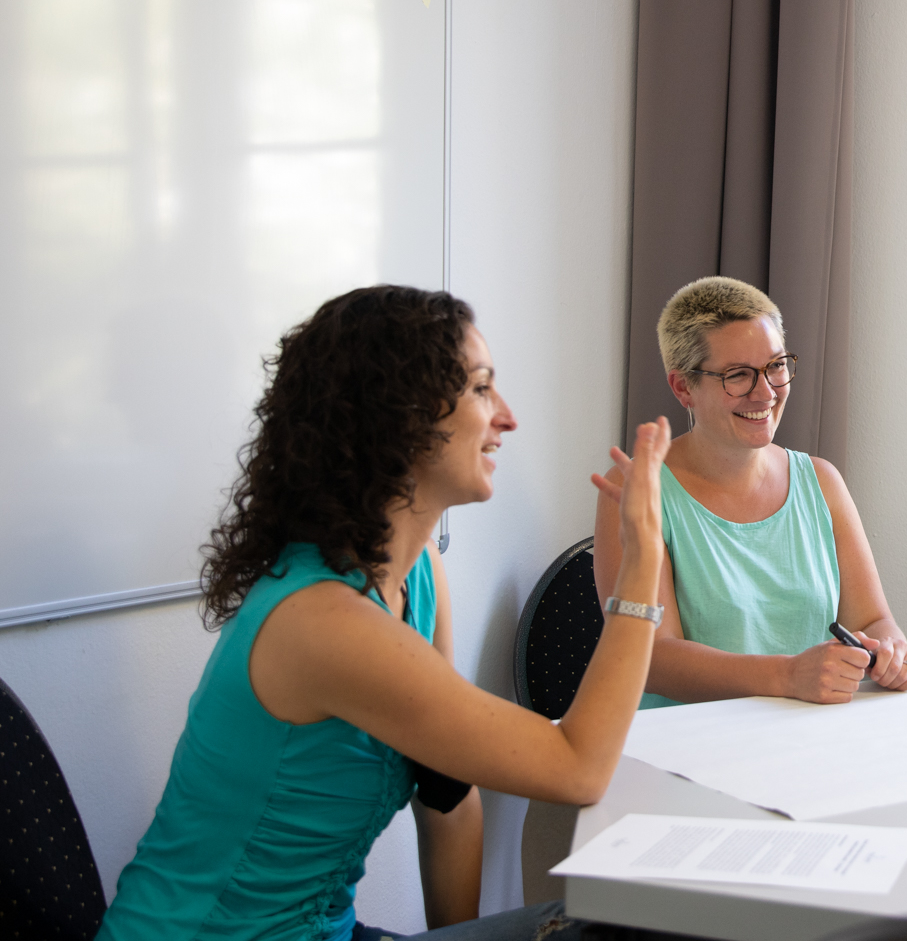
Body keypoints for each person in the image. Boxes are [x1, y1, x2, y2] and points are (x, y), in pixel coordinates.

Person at [97, 285, 671, 941]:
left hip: (324, 931)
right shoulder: (323, 624)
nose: (507, 418)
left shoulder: (416, 572)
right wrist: (643, 558)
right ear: (402, 417)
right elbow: (578, 767)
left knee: (623, 919)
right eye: (482, 389)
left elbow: (446, 795)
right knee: (619, 929)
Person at [593, 277, 907, 707]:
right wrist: (788, 675)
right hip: (689, 748)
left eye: (776, 366)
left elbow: (874, 620)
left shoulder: (822, 481)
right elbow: (653, 658)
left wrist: (891, 651)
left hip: (810, 737)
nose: (765, 392)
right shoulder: (634, 488)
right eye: (738, 375)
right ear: (683, 388)